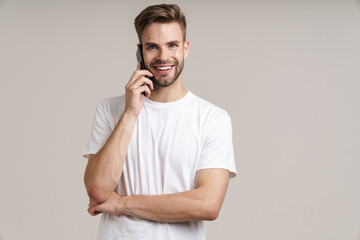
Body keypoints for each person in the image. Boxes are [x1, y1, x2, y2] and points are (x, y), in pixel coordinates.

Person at [83, 4, 237, 240]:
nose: (163, 57)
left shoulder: (213, 118)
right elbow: (98, 190)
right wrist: (130, 114)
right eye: (152, 47)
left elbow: (207, 204)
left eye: (172, 45)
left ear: (185, 48)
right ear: (140, 52)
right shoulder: (110, 110)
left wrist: (121, 204)